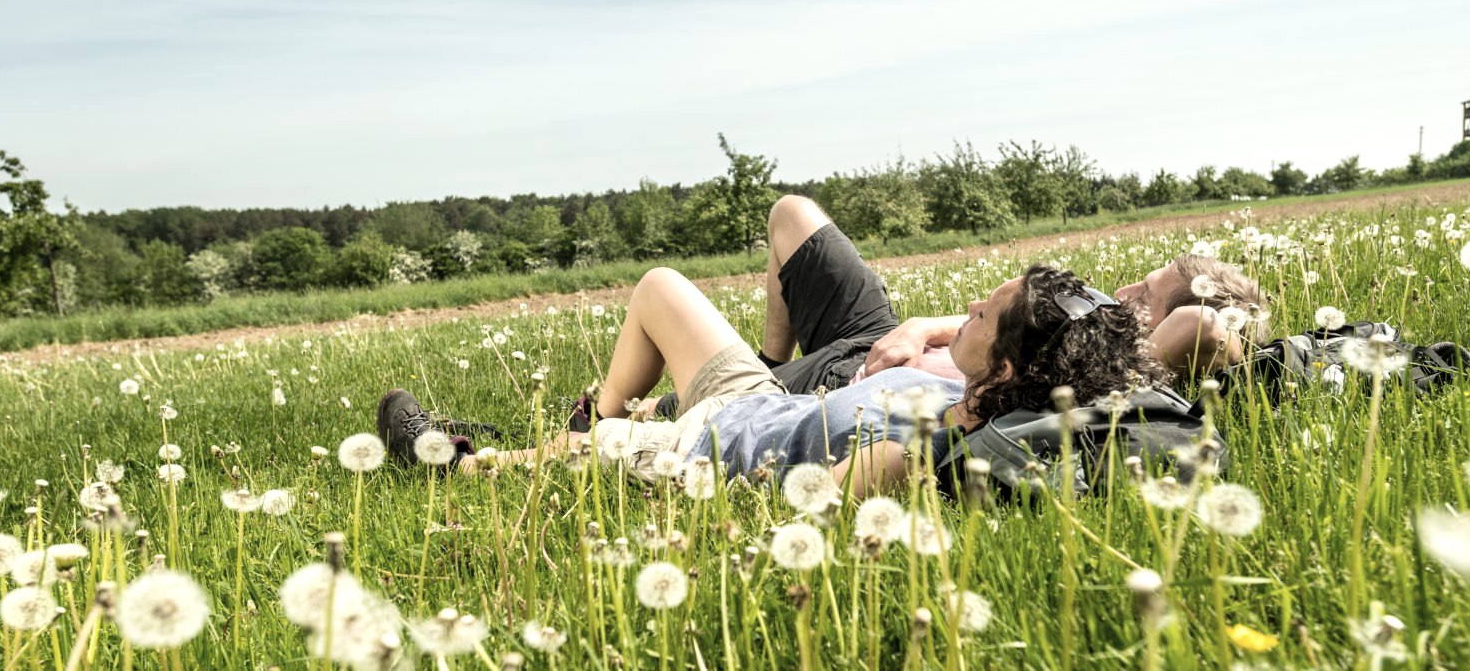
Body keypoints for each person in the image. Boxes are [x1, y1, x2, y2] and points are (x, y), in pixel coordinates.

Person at [379, 254, 1178, 500]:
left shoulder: (933, 449)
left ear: (1003, 367)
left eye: (980, 315)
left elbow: (815, 501)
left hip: (703, 451)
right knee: (660, 287)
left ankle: (451, 461)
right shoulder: (980, 390)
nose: (964, 309)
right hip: (759, 401)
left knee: (565, 460)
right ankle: (594, 416)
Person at [638, 195, 1267, 419]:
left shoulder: (1113, 376)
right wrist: (920, 327)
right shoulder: (1088, 318)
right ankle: (770, 361)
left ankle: (632, 412)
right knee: (793, 215)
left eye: (1145, 297)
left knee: (667, 409)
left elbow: (1208, 330)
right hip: (885, 338)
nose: (1124, 291)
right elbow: (992, 320)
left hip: (850, 384)